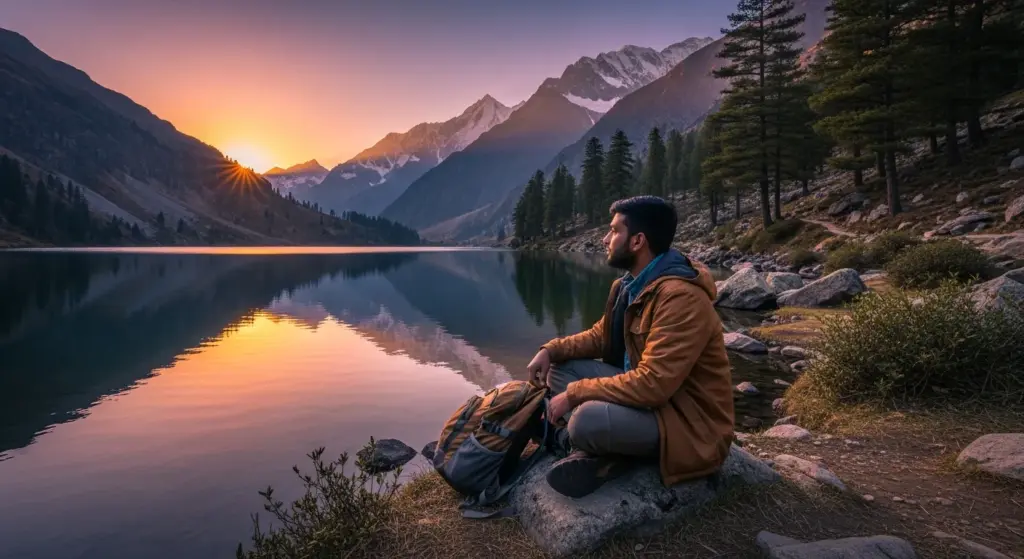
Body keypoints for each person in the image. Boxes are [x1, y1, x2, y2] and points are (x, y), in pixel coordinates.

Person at [527, 195, 734, 498]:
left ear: (637, 241)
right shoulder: (630, 285)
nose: (604, 238)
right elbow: (600, 338)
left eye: (613, 231)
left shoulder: (680, 298)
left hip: (685, 423)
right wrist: (550, 350)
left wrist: (575, 395)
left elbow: (653, 385)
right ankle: (602, 451)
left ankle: (595, 449)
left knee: (585, 420)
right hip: (649, 402)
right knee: (560, 369)